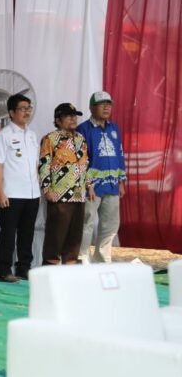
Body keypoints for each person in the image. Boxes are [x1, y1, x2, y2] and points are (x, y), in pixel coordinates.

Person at [0, 94, 41, 282]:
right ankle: (4, 270)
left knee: (27, 234)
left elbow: (35, 164)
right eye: (22, 108)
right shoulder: (4, 135)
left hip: (32, 193)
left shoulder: (32, 135)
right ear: (12, 112)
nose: (26, 112)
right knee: (8, 234)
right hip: (11, 193)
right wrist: (0, 192)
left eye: (28, 108)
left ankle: (24, 268)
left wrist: (37, 189)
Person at [77, 91, 127, 264]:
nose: (106, 107)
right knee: (87, 223)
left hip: (112, 185)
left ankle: (103, 260)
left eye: (109, 104)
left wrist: (121, 181)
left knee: (110, 225)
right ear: (91, 107)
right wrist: (88, 184)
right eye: (102, 104)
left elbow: (119, 154)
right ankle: (82, 259)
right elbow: (81, 160)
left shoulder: (114, 128)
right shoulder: (83, 129)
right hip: (91, 188)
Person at [39, 103, 88, 265]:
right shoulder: (50, 139)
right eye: (68, 116)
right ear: (58, 120)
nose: (73, 119)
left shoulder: (80, 139)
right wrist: (47, 189)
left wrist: (89, 185)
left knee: (74, 238)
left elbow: (84, 164)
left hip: (79, 194)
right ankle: (50, 268)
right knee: (55, 236)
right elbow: (44, 165)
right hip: (59, 195)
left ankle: (70, 267)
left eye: (74, 116)